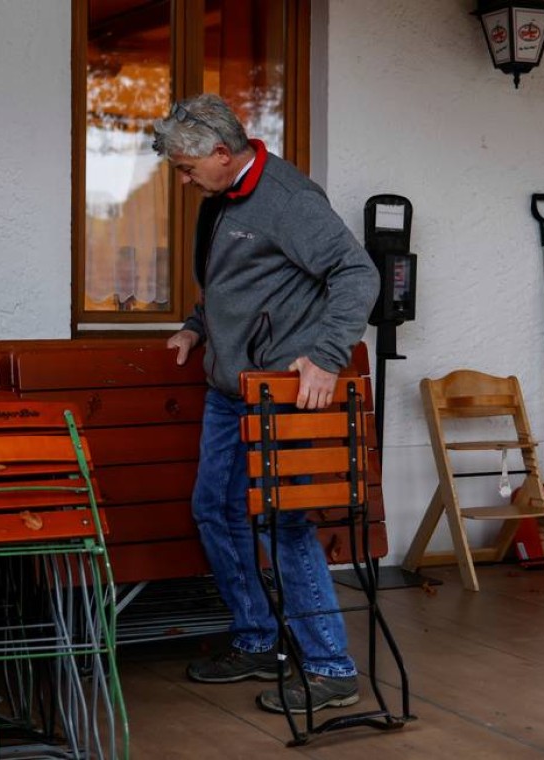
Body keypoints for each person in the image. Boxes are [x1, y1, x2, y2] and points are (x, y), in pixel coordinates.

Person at [155, 94, 379, 714]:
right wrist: (197, 326)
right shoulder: (224, 199)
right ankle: (258, 639)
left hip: (284, 396)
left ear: (222, 154)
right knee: (215, 510)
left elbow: (357, 274)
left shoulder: (287, 200)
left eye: (186, 168)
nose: (182, 180)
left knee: (283, 524)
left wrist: (329, 355)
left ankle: (332, 669)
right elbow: (237, 282)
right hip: (231, 392)